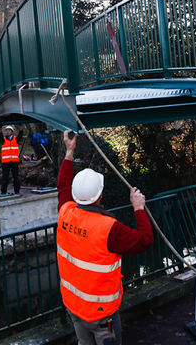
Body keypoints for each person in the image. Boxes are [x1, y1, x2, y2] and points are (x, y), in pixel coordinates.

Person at [57, 130, 154, 345]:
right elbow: (145, 239)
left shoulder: (65, 212)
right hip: (101, 313)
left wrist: (69, 151)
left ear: (75, 194)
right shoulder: (109, 228)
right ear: (100, 195)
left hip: (74, 306)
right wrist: (139, 208)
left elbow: (63, 185)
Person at [0, 125, 23, 196]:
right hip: (6, 162)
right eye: (6, 130)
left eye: (9, 130)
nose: (7, 132)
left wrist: (21, 129)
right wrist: (0, 131)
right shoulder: (3, 140)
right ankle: (3, 192)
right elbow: (0, 138)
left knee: (16, 177)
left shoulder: (15, 139)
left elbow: (20, 136)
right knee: (5, 177)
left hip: (14, 162)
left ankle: (17, 192)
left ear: (12, 132)